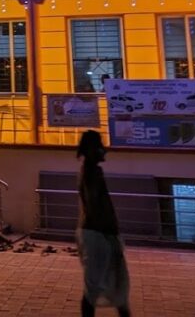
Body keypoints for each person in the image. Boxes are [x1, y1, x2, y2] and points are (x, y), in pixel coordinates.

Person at [76, 129, 130, 317]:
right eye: (100, 146)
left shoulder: (91, 171)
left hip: (101, 234)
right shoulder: (91, 173)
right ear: (92, 149)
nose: (104, 150)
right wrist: (108, 233)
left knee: (114, 284)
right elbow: (94, 205)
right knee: (97, 287)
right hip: (98, 234)